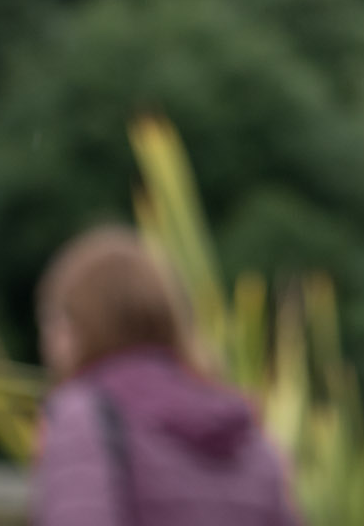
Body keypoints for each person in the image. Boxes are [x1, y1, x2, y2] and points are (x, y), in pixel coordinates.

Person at [31, 225, 301, 526]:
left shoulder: (86, 416)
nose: (49, 341)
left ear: (82, 327)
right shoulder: (250, 438)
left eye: (55, 319)